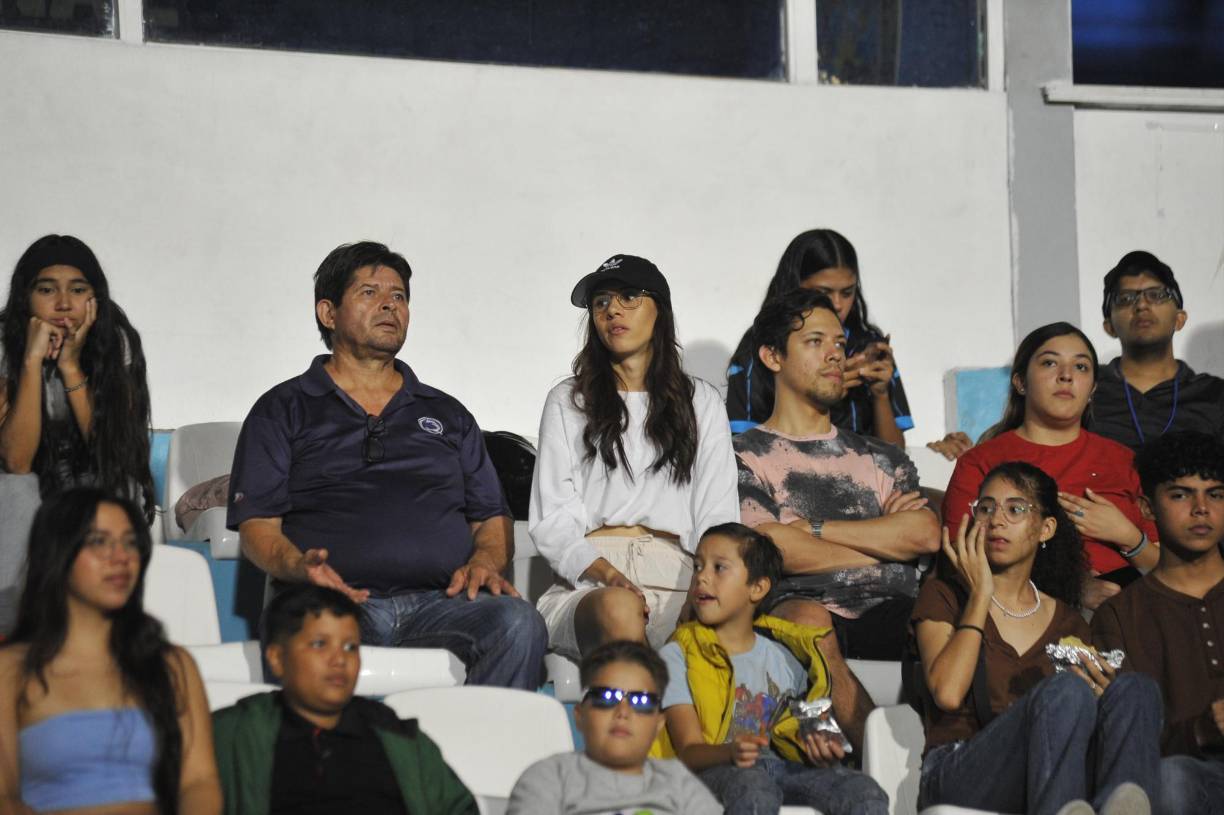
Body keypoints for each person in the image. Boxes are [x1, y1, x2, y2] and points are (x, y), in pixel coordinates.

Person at [228, 241, 546, 689]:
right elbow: (258, 527)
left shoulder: (448, 413)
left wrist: (485, 561)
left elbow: (491, 517)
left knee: (518, 623)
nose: (389, 306)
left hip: (444, 602)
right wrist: (299, 567)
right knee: (313, 629)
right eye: (369, 293)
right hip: (335, 604)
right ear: (327, 312)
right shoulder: (282, 408)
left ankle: (469, 756)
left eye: (398, 296)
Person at [913, 462, 1162, 815]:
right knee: (1065, 690)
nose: (996, 520)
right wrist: (980, 595)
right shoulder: (945, 595)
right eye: (986, 508)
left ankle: (1122, 804)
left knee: (1136, 689)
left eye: (1015, 509)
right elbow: (948, 693)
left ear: (1046, 529)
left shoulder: (1069, 621)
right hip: (959, 770)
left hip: (1046, 772)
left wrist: (1101, 693)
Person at [529, 254, 739, 658]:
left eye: (629, 296)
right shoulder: (569, 400)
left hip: (681, 575)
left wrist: (705, 589)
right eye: (601, 302)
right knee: (620, 609)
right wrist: (608, 575)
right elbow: (552, 517)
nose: (612, 310)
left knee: (721, 639)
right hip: (593, 578)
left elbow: (718, 515)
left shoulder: (702, 403)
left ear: (660, 310)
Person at [733, 287, 940, 659]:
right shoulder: (743, 454)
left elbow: (924, 534)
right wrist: (888, 547)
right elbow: (774, 550)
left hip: (902, 613)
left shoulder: (880, 454)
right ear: (772, 356)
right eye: (815, 341)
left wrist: (812, 529)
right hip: (807, 608)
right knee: (809, 621)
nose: (835, 355)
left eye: (840, 344)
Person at [0, 488, 221, 814]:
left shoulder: (172, 664)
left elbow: (199, 782)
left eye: (130, 542)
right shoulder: (11, 670)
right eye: (99, 541)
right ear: (58, 553)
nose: (120, 557)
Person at [657, 523, 888, 815]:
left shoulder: (789, 655)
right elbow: (689, 751)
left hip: (784, 769)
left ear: (757, 588)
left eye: (719, 568)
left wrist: (823, 750)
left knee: (862, 790)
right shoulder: (678, 655)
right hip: (714, 773)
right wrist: (731, 752)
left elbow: (822, 734)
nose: (702, 577)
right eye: (697, 566)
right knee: (753, 787)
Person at [941, 322, 1159, 609]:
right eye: (1049, 363)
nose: (1066, 376)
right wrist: (1070, 591)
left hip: (1135, 601)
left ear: (1093, 388)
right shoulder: (982, 461)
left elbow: (1170, 570)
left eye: (1081, 367)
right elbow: (961, 560)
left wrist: (1128, 535)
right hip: (1027, 607)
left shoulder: (1123, 459)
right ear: (1020, 382)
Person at [0, 235, 154, 633]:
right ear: (26, 298)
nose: (64, 304)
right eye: (47, 289)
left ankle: (109, 605)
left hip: (89, 480)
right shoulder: (5, 345)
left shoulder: (112, 340)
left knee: (123, 485)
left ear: (94, 298)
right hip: (24, 488)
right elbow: (16, 460)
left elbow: (113, 451)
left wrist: (70, 366)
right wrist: (33, 360)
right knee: (16, 487)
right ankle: (12, 620)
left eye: (78, 290)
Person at [213, 584, 477, 815]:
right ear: (277, 658)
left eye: (350, 647)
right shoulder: (235, 733)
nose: (339, 660)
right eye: (319, 644)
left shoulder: (398, 737)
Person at [1091, 431, 1224, 814]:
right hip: (1191, 777)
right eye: (1181, 495)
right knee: (1170, 780)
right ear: (1147, 508)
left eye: (1215, 494)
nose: (1201, 509)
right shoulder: (1118, 616)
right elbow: (1125, 746)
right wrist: (1202, 730)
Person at [725, 228, 914, 446]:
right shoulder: (754, 352)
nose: (837, 304)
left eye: (847, 292)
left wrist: (880, 395)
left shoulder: (871, 348)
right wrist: (822, 396)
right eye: (823, 292)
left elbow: (896, 457)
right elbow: (742, 451)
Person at [507, 640, 721, 815]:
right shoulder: (549, 779)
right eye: (606, 697)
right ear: (580, 715)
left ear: (658, 724)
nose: (623, 711)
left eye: (641, 701)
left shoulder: (682, 786)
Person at [1091, 251, 1224, 451]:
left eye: (1157, 295)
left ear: (1180, 319)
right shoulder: (1086, 389)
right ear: (1109, 327)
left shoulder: (1215, 394)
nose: (1142, 305)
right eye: (1125, 298)